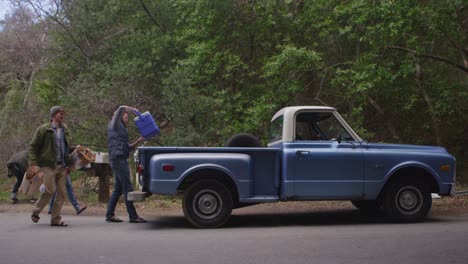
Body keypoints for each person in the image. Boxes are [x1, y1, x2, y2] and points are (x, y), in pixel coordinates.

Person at [29, 106, 72, 227]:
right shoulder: (43, 129)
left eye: (63, 113)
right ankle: (36, 211)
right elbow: (33, 147)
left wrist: (76, 150)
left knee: (62, 193)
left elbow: (67, 147)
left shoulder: (65, 129)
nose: (62, 115)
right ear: (53, 115)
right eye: (59, 113)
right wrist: (33, 164)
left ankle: (55, 219)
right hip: (47, 165)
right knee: (50, 190)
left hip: (62, 166)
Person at [105, 105, 146, 223]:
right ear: (118, 117)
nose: (127, 119)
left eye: (128, 117)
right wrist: (131, 109)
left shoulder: (120, 129)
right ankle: (133, 216)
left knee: (118, 188)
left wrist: (139, 141)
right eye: (125, 116)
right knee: (127, 187)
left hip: (119, 157)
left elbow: (126, 147)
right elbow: (120, 109)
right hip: (118, 159)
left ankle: (109, 214)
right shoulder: (114, 124)